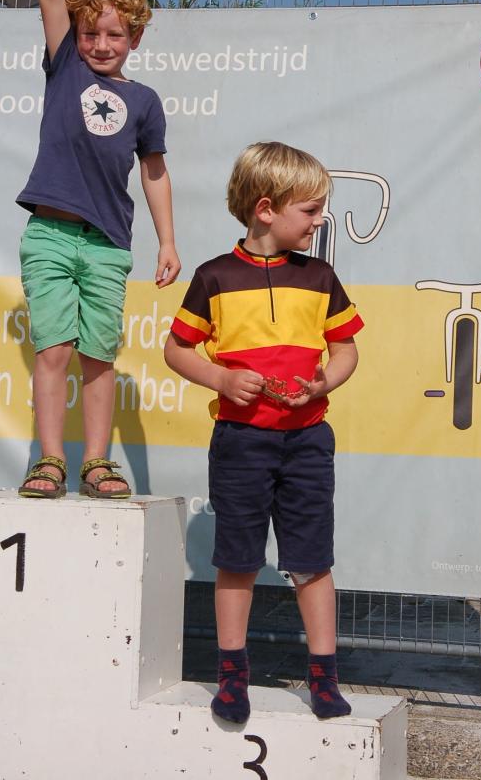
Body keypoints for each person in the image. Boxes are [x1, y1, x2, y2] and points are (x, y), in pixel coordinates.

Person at [164, 141, 362, 722]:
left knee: (312, 560)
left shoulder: (321, 276)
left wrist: (323, 384)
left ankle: (324, 677)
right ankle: (232, 678)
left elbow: (346, 350)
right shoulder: (214, 277)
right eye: (311, 209)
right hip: (240, 443)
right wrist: (222, 378)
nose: (320, 220)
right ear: (267, 209)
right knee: (238, 560)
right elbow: (177, 349)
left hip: (307, 442)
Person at [11, 0, 180, 500]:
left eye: (115, 34)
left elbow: (154, 171)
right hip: (50, 235)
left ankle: (98, 462)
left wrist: (168, 241)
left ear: (136, 36)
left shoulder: (144, 101)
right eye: (90, 33)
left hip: (108, 243)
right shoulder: (65, 70)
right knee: (52, 351)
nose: (101, 44)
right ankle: (51, 461)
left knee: (99, 357)